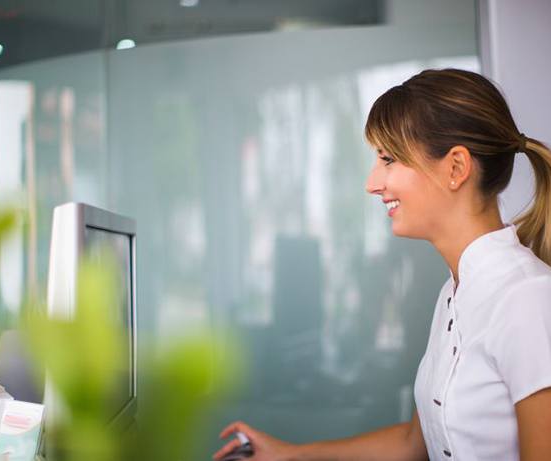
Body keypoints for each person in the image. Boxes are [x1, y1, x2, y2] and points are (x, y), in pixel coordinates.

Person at [213, 69, 551, 461]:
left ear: (456, 168)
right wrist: (290, 454)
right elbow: (413, 442)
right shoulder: (454, 294)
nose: (373, 182)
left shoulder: (526, 297)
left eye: (389, 160)